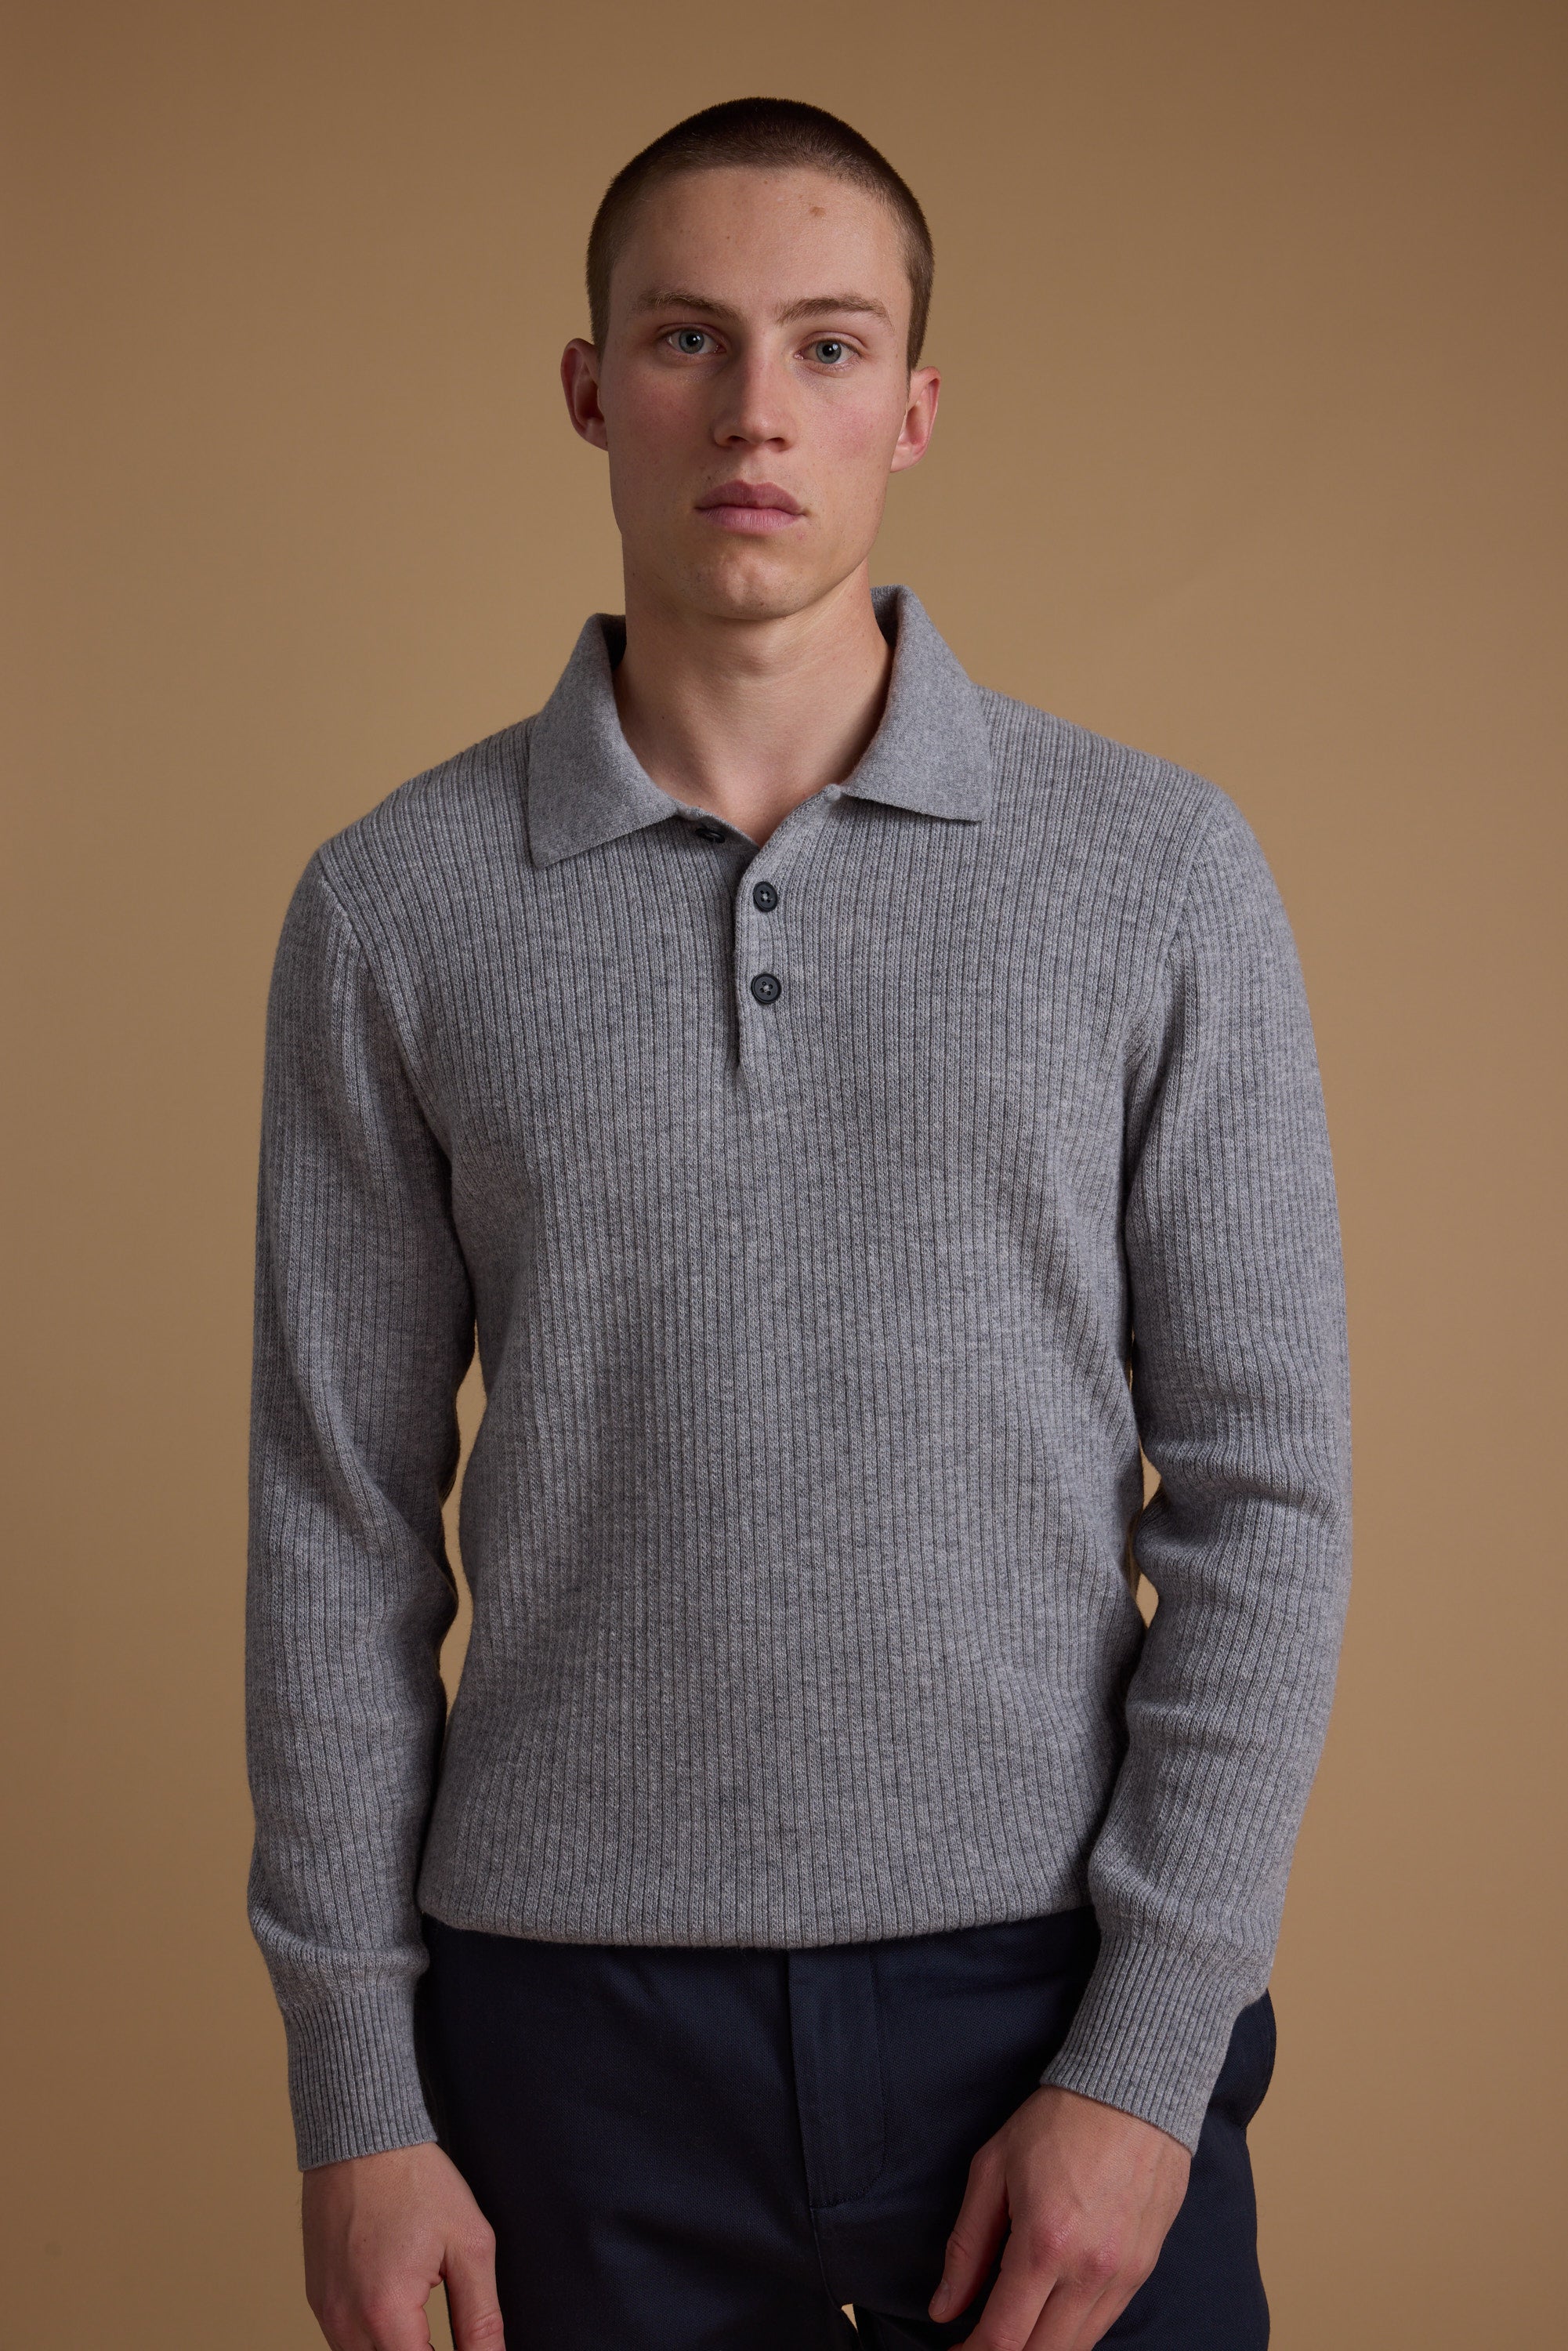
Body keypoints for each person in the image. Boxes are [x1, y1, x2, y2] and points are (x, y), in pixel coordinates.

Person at [245, 96, 1352, 2351]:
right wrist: (356, 2094)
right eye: (686, 338)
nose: (758, 410)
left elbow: (1267, 1499)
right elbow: (331, 1522)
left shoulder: (1150, 873)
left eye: (829, 347)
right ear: (588, 387)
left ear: (914, 409)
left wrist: (1142, 2066)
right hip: (562, 2050)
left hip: (1039, 2000)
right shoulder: (396, 908)